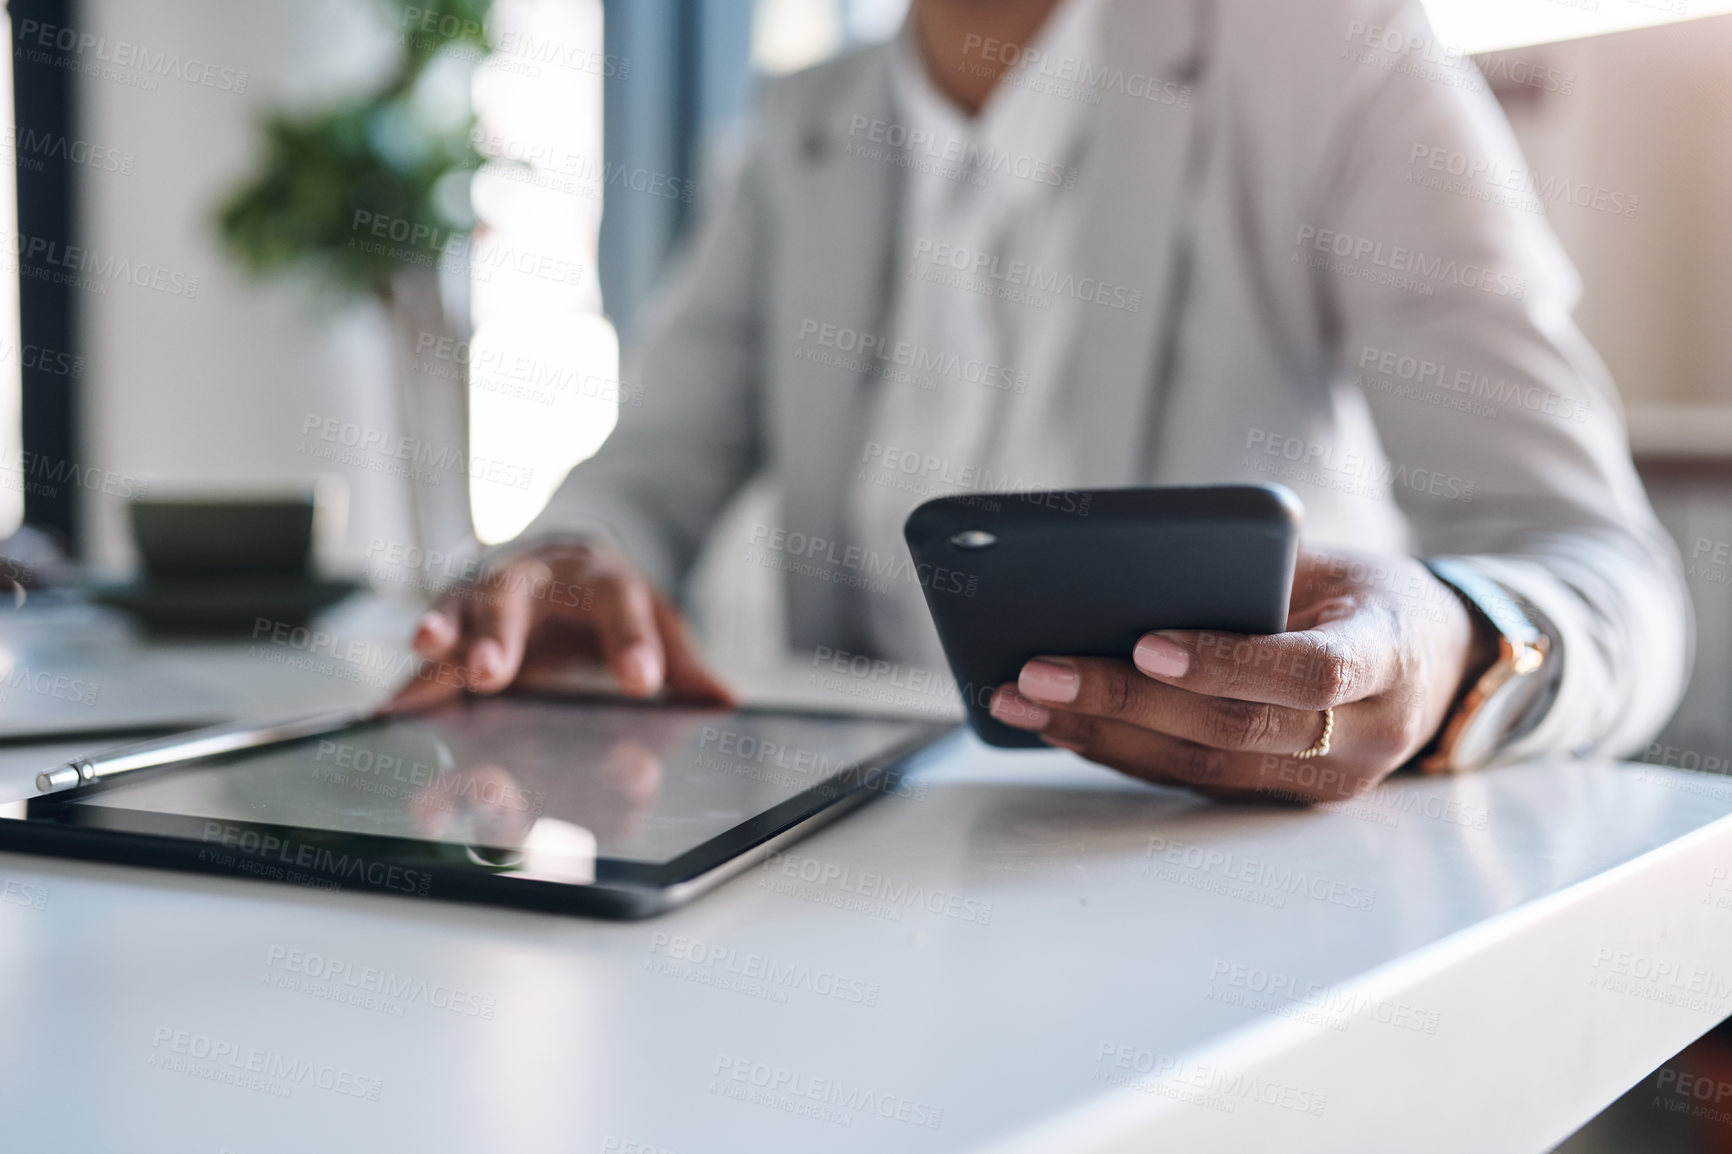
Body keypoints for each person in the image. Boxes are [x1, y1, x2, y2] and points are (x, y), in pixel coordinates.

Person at [400, 0, 1690, 802]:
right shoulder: (800, 130)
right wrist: (567, 567)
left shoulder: (1335, 55)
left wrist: (1452, 647)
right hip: (856, 853)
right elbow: (648, 474)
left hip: (1224, 866)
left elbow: (1605, 570)